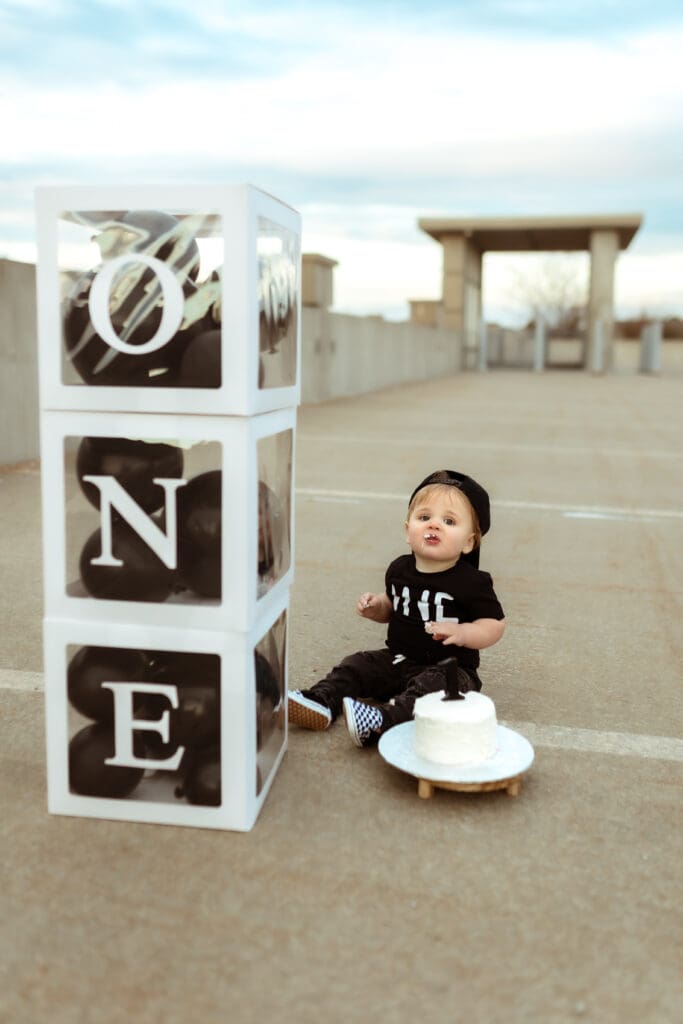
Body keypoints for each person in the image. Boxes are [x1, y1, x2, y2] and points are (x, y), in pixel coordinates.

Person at [288, 469, 506, 747]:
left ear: (469, 542)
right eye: (424, 517)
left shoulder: (472, 582)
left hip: (451, 671)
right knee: (357, 664)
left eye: (449, 521)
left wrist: (464, 632)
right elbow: (394, 607)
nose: (434, 525)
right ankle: (321, 700)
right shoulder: (399, 569)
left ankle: (382, 721)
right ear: (407, 531)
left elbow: (494, 624)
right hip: (398, 660)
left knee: (430, 688)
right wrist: (377, 606)